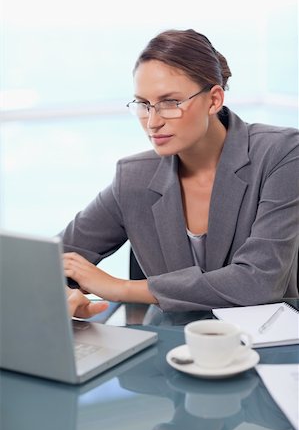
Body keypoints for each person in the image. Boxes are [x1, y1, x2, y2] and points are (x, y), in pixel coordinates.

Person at [62, 29, 299, 324]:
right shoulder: (133, 177)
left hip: (267, 344)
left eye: (170, 102)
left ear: (214, 100)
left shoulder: (282, 153)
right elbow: (53, 259)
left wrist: (120, 288)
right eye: (143, 104)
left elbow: (258, 280)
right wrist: (62, 291)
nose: (152, 121)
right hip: (170, 345)